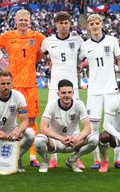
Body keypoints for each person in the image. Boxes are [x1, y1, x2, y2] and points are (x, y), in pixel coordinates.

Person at [0, 9, 45, 167]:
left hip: (30, 84)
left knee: (31, 119)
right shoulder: (8, 36)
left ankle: (32, 156)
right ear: (15, 21)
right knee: (11, 121)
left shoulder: (37, 36)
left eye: (26, 19)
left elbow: (47, 48)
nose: (24, 22)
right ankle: (11, 155)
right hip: (13, 86)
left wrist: (35, 61)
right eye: (21, 20)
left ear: (30, 21)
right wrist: (4, 65)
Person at [80, 14, 120, 169]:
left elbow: (119, 60)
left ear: (102, 24)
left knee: (114, 125)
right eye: (92, 24)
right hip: (94, 91)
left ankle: (118, 159)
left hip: (111, 90)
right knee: (93, 127)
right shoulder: (85, 45)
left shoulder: (112, 41)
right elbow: (77, 64)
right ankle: (97, 160)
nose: (95, 26)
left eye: (97, 23)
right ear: (88, 27)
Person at [40, 11, 85, 169]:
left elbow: (83, 58)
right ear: (56, 24)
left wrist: (78, 66)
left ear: (70, 24)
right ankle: (53, 157)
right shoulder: (48, 41)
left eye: (66, 22)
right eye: (61, 22)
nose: (64, 25)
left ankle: (76, 156)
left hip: (73, 85)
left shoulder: (78, 40)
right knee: (52, 119)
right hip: (54, 86)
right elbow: (41, 55)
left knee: (77, 117)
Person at [34, 79, 98, 173]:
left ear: (73, 93)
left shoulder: (79, 104)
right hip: (54, 142)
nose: (66, 95)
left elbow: (87, 128)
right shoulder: (52, 104)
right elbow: (43, 128)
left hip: (74, 141)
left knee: (94, 139)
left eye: (69, 92)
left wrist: (76, 139)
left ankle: (72, 160)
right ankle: (45, 161)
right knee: (38, 140)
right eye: (63, 93)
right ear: (58, 93)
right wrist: (61, 138)